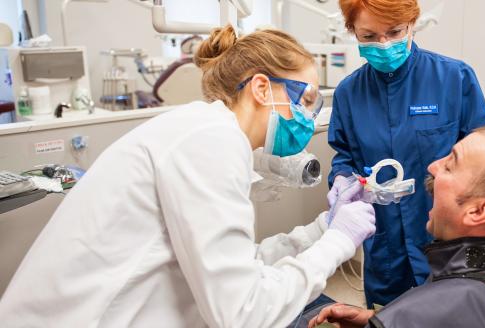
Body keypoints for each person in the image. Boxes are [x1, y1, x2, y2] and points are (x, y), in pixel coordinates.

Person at [0, 26, 376, 328]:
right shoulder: (211, 141)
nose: (310, 119)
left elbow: (237, 265)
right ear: (262, 88)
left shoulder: (204, 130)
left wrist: (322, 229)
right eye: (306, 100)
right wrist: (339, 242)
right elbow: (244, 314)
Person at [327, 0, 485, 307]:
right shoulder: (349, 93)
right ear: (352, 31)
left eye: (394, 32)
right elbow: (344, 156)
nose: (383, 44)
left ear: (412, 23)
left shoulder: (453, 78)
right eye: (369, 36)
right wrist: (342, 178)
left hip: (444, 238)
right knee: (385, 314)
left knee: (449, 314)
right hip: (384, 243)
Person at [310, 127, 485, 328]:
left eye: (450, 165)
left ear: (479, 211)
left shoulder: (453, 302)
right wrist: (377, 318)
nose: (433, 166)